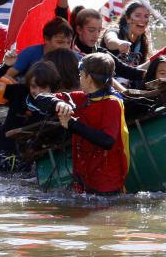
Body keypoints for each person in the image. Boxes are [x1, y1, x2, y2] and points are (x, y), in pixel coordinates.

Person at [48, 53, 129, 195]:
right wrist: (59, 103)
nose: (79, 79)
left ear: (89, 78)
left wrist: (72, 124)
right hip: (84, 179)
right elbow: (41, 98)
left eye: (81, 75)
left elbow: (107, 140)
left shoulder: (112, 103)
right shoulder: (82, 98)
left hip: (106, 183)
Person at [0, 60, 63, 172]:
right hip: (2, 151)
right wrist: (5, 66)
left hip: (27, 158)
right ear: (29, 84)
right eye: (33, 86)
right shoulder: (19, 91)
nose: (37, 92)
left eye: (43, 88)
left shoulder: (55, 105)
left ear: (51, 87)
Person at [7, 17, 76, 79]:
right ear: (46, 39)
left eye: (69, 42)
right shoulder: (30, 53)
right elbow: (7, 76)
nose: (65, 47)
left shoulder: (76, 59)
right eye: (60, 42)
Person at [102, 1, 152, 68]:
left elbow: (138, 70)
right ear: (127, 18)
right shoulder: (115, 30)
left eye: (146, 16)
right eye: (138, 15)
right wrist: (119, 44)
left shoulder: (144, 41)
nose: (142, 20)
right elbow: (110, 40)